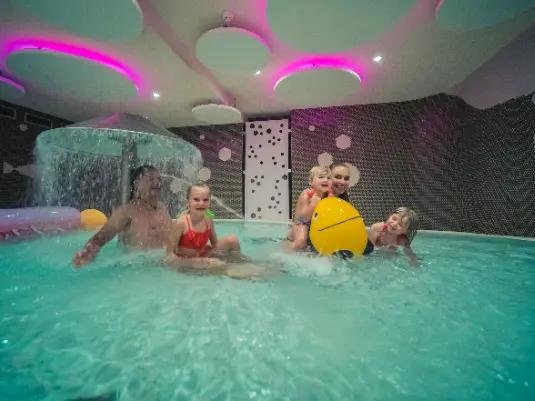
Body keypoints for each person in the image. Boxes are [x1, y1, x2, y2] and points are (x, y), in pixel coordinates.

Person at [73, 165, 173, 267]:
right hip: (137, 269)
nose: (157, 183)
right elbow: (99, 239)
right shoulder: (128, 212)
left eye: (159, 179)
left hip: (162, 267)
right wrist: (87, 254)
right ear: (137, 184)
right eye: (151, 179)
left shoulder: (162, 208)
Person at [166, 182, 243, 270]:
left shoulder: (208, 217)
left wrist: (216, 258)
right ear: (188, 202)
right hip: (187, 261)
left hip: (203, 254)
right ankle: (231, 270)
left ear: (210, 202)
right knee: (218, 265)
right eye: (196, 199)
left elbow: (215, 244)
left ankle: (238, 263)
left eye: (206, 200)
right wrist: (201, 262)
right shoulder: (181, 223)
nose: (201, 203)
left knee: (232, 240)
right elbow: (169, 257)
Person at [285, 166, 331, 251]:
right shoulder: (307, 194)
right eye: (321, 177)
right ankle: (284, 251)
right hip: (301, 225)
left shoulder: (328, 196)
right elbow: (303, 218)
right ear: (311, 182)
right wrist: (313, 205)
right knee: (301, 241)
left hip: (314, 228)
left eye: (329, 178)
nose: (325, 180)